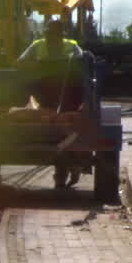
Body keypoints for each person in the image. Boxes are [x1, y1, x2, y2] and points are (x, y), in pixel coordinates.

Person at [16, 18, 85, 188]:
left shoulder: (72, 46)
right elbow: (20, 62)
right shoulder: (38, 45)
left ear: (61, 36)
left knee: (64, 133)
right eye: (50, 35)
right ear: (46, 35)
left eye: (56, 36)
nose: (53, 39)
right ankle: (63, 172)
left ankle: (65, 171)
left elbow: (83, 62)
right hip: (45, 93)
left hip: (68, 93)